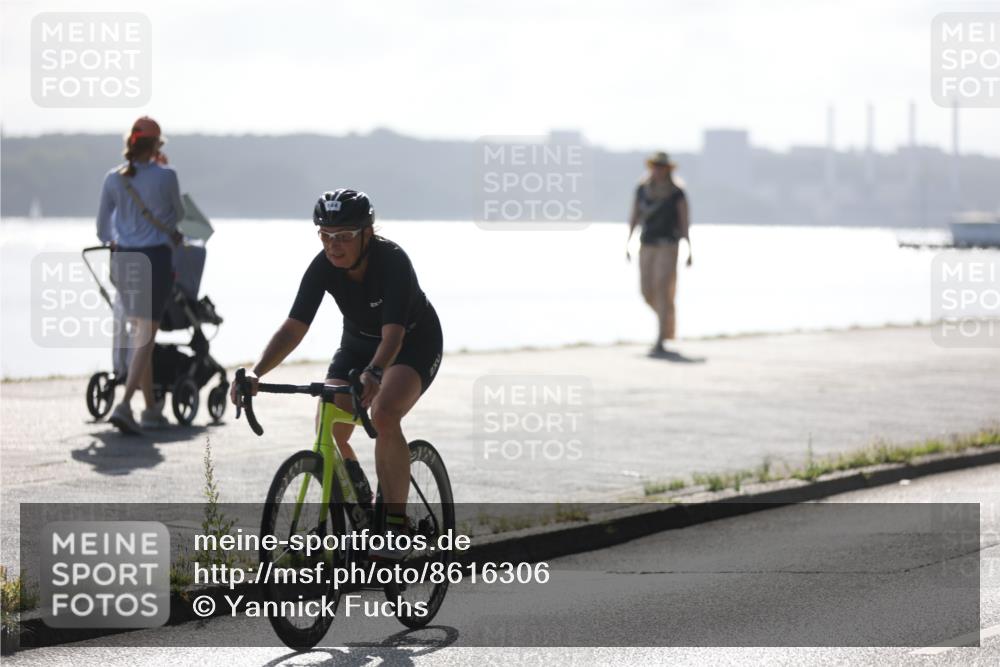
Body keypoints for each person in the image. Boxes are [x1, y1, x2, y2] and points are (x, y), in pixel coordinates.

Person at [231, 189, 443, 559]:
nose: (334, 245)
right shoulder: (322, 266)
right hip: (358, 344)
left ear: (368, 232)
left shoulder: (392, 261)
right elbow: (293, 328)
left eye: (344, 235)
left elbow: (393, 334)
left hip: (411, 342)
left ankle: (396, 525)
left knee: (385, 412)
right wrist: (256, 373)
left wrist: (376, 373)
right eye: (325, 236)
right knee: (328, 422)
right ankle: (362, 505)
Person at [97, 116, 184, 433]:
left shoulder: (113, 178)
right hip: (155, 260)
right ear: (157, 145)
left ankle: (150, 409)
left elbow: (102, 229)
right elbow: (179, 214)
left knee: (140, 336)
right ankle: (124, 405)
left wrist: (119, 239)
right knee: (146, 335)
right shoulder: (167, 176)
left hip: (123, 259)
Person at [626, 151, 692, 357]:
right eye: (655, 166)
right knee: (646, 291)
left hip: (668, 245)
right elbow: (634, 216)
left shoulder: (677, 193)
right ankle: (666, 322)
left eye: (661, 166)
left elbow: (684, 221)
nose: (657, 170)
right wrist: (627, 242)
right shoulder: (642, 190)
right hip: (646, 244)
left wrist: (690, 248)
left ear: (668, 169)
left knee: (664, 288)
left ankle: (660, 338)